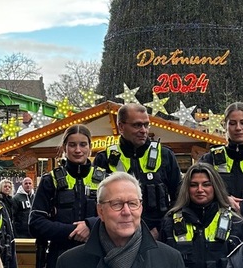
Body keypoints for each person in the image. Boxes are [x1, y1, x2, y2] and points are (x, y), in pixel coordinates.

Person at [55, 172, 184, 268]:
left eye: (133, 203)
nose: (126, 212)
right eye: (117, 204)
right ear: (100, 211)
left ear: (141, 208)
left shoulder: (170, 260)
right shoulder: (69, 263)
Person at [93, 103, 182, 236]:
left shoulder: (165, 155)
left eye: (146, 125)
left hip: (158, 235)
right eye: (137, 125)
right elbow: (97, 202)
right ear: (121, 127)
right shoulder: (104, 158)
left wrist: (161, 229)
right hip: (117, 236)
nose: (143, 130)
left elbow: (179, 197)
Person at [29, 124, 107, 268]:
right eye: (72, 145)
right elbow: (35, 223)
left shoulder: (105, 180)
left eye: (83, 145)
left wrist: (90, 225)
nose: (78, 150)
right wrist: (73, 232)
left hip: (97, 257)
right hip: (59, 256)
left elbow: (116, 215)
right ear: (65, 148)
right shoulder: (49, 180)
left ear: (90, 147)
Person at [160, 163, 243, 268]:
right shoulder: (170, 223)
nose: (200, 190)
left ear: (215, 187)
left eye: (206, 184)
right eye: (193, 185)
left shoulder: (237, 224)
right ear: (186, 189)